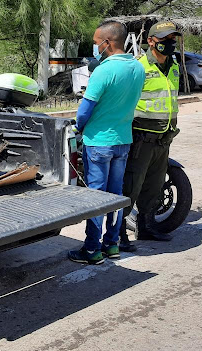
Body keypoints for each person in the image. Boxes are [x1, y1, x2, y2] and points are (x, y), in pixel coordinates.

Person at [68, 21, 145, 265]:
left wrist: (78, 127)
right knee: (115, 195)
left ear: (107, 43)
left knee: (96, 198)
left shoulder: (103, 71)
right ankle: (112, 245)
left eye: (95, 43)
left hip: (99, 142)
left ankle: (91, 250)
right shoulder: (138, 67)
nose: (95, 47)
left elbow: (84, 111)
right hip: (123, 140)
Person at [120, 21, 182, 251]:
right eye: (164, 39)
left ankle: (146, 227)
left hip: (164, 138)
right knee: (131, 186)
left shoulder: (174, 66)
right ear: (151, 41)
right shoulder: (139, 67)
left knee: (154, 187)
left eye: (172, 39)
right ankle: (119, 234)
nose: (170, 43)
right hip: (142, 138)